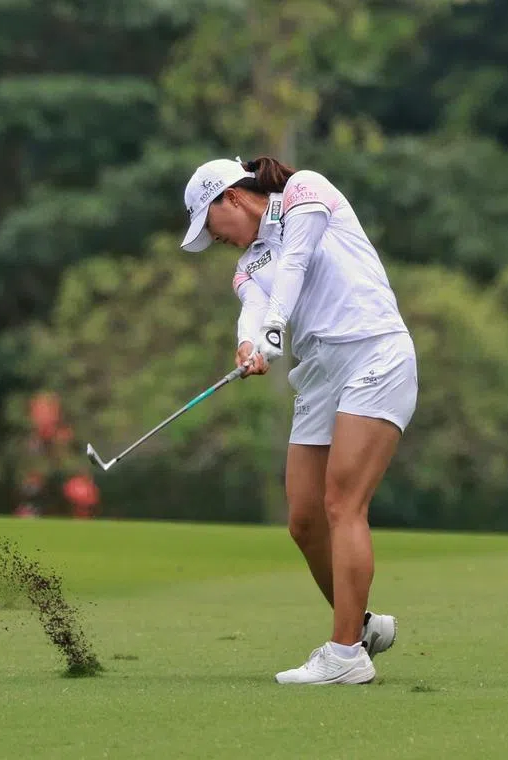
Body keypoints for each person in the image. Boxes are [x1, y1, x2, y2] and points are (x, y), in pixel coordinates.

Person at [178, 156, 418, 685]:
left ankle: (345, 655)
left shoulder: (307, 190)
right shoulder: (248, 265)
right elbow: (253, 305)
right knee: (304, 519)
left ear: (232, 198)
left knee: (342, 503)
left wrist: (275, 328)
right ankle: (362, 626)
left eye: (210, 224)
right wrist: (249, 342)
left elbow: (299, 262)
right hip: (319, 377)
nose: (212, 238)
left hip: (373, 353)